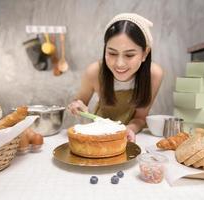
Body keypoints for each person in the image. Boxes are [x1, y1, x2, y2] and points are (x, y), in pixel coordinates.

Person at [68, 13, 163, 142]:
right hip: (99, 136)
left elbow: (140, 118)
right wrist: (76, 105)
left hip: (132, 137)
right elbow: (79, 102)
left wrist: (128, 129)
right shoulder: (94, 72)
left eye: (129, 55)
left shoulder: (154, 74)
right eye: (112, 53)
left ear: (144, 53)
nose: (119, 64)